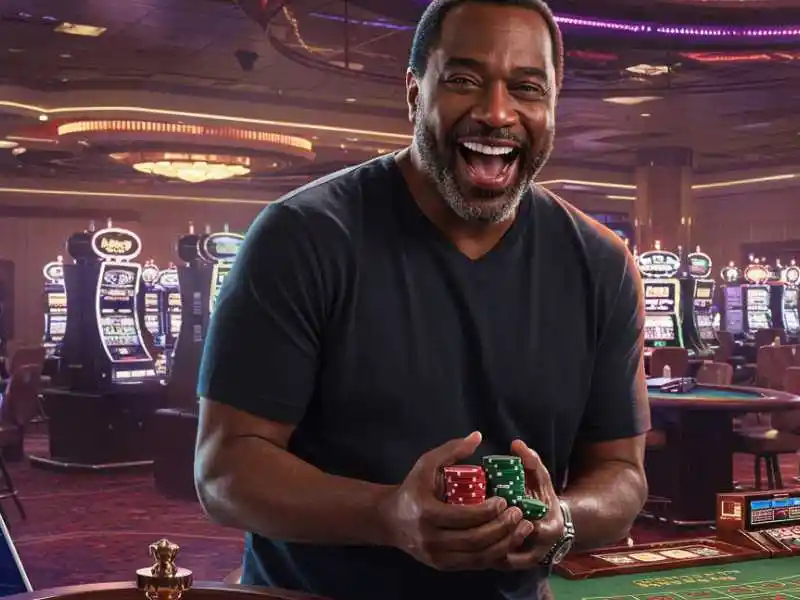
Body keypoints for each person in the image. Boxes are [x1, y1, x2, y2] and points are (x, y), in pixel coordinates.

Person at [195, 0, 650, 598]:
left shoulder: (602, 263)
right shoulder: (302, 237)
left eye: (527, 88)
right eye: (463, 80)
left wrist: (562, 520)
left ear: (552, 105)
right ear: (415, 93)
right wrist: (388, 515)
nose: (496, 113)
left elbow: (621, 475)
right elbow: (226, 469)